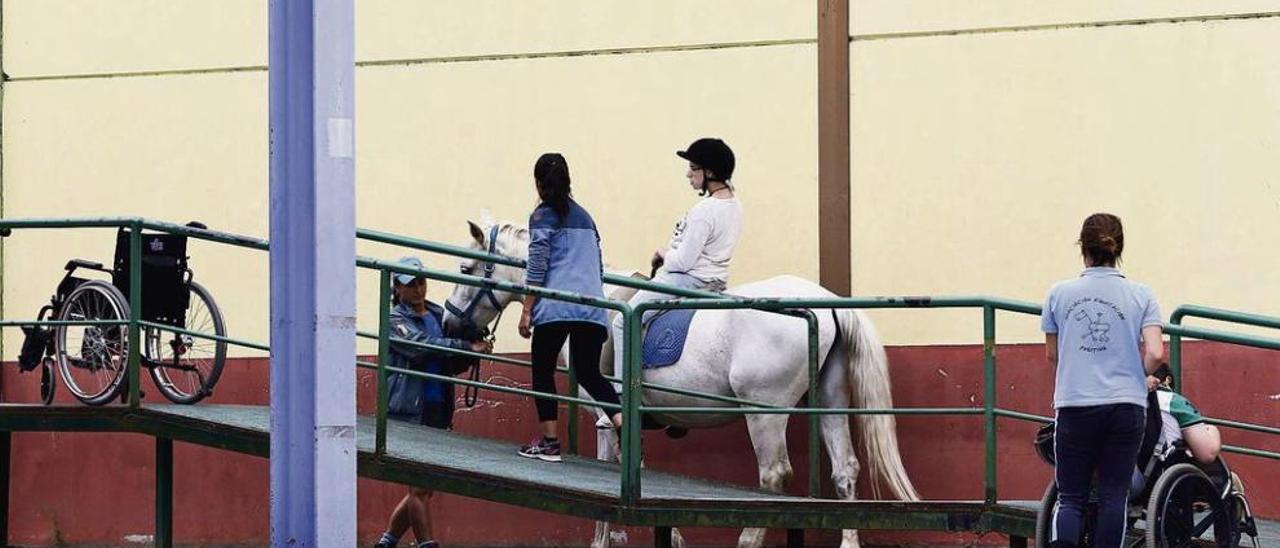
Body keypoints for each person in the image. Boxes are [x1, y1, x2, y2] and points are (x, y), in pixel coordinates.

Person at [1041, 213, 1164, 548]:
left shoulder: (1058, 294)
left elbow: (1052, 356)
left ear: (1084, 248)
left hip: (1076, 403)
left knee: (1070, 497)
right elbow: (1154, 352)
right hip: (1126, 405)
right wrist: (1137, 376)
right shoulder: (1142, 295)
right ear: (1119, 248)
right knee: (1114, 496)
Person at [376, 256, 493, 548]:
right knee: (419, 486)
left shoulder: (439, 314)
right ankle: (428, 545)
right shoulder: (393, 319)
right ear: (396, 290)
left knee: (425, 487)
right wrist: (465, 345)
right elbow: (419, 348)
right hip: (409, 412)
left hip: (439, 408)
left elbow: (450, 362)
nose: (417, 289)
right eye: (409, 285)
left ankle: (386, 541)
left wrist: (473, 349)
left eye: (420, 282)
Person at [517, 152, 624, 462]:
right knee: (590, 373)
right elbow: (599, 266)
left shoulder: (542, 216)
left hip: (555, 307)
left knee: (542, 370)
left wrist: (527, 308)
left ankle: (550, 443)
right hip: (591, 307)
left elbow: (538, 263)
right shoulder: (586, 218)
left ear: (538, 184)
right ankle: (624, 428)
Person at [610, 137, 743, 375]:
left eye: (693, 169)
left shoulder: (705, 210)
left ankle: (624, 395)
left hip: (686, 280)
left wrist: (664, 253)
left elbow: (683, 262)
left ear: (710, 172)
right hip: (716, 282)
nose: (688, 175)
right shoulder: (735, 205)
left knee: (624, 319)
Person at [1145, 365, 1221, 465]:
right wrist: (1212, 430)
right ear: (1167, 380)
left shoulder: (1128, 400)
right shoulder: (1173, 401)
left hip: (1132, 468)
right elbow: (1207, 455)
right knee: (1232, 478)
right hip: (1160, 469)